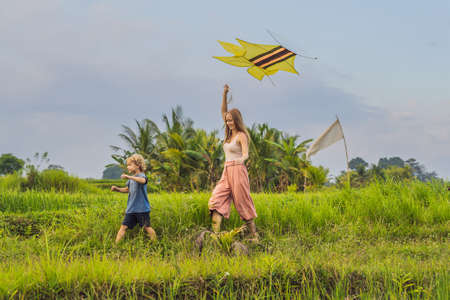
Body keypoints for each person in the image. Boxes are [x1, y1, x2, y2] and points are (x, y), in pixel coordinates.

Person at [208, 84, 259, 242]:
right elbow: (223, 111)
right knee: (216, 200)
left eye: (231, 120)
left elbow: (245, 154)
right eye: (227, 120)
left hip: (238, 170)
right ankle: (215, 236)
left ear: (237, 120)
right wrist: (224, 94)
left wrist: (240, 160)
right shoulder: (229, 135)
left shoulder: (241, 135)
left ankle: (254, 236)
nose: (229, 123)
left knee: (242, 202)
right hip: (227, 171)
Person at [111, 154, 156, 243]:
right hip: (131, 209)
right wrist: (117, 189)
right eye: (127, 165)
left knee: (147, 227)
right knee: (123, 227)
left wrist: (128, 176)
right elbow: (128, 189)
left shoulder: (142, 176)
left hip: (142, 209)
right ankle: (115, 246)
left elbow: (143, 181)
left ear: (138, 165)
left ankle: (156, 243)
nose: (128, 167)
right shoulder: (131, 179)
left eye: (130, 165)